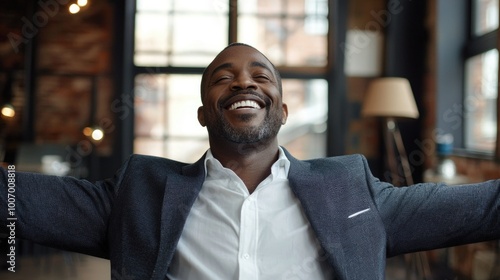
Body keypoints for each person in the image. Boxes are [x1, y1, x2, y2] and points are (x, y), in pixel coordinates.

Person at [1, 42, 499, 280]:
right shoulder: (142, 189)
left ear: (282, 110)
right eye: (223, 77)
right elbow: (16, 199)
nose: (244, 82)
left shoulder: (351, 187)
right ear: (203, 112)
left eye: (262, 75)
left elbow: (485, 207)